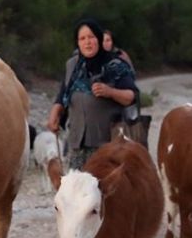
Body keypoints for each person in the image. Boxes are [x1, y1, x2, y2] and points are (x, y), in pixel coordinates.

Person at [46, 19, 139, 170]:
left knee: (105, 189)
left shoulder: (115, 65)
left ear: (99, 39)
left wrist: (110, 92)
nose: (87, 42)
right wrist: (55, 112)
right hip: (77, 144)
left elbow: (131, 96)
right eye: (82, 39)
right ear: (77, 43)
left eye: (91, 37)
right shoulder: (73, 65)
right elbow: (64, 93)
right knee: (78, 190)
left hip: (108, 144)